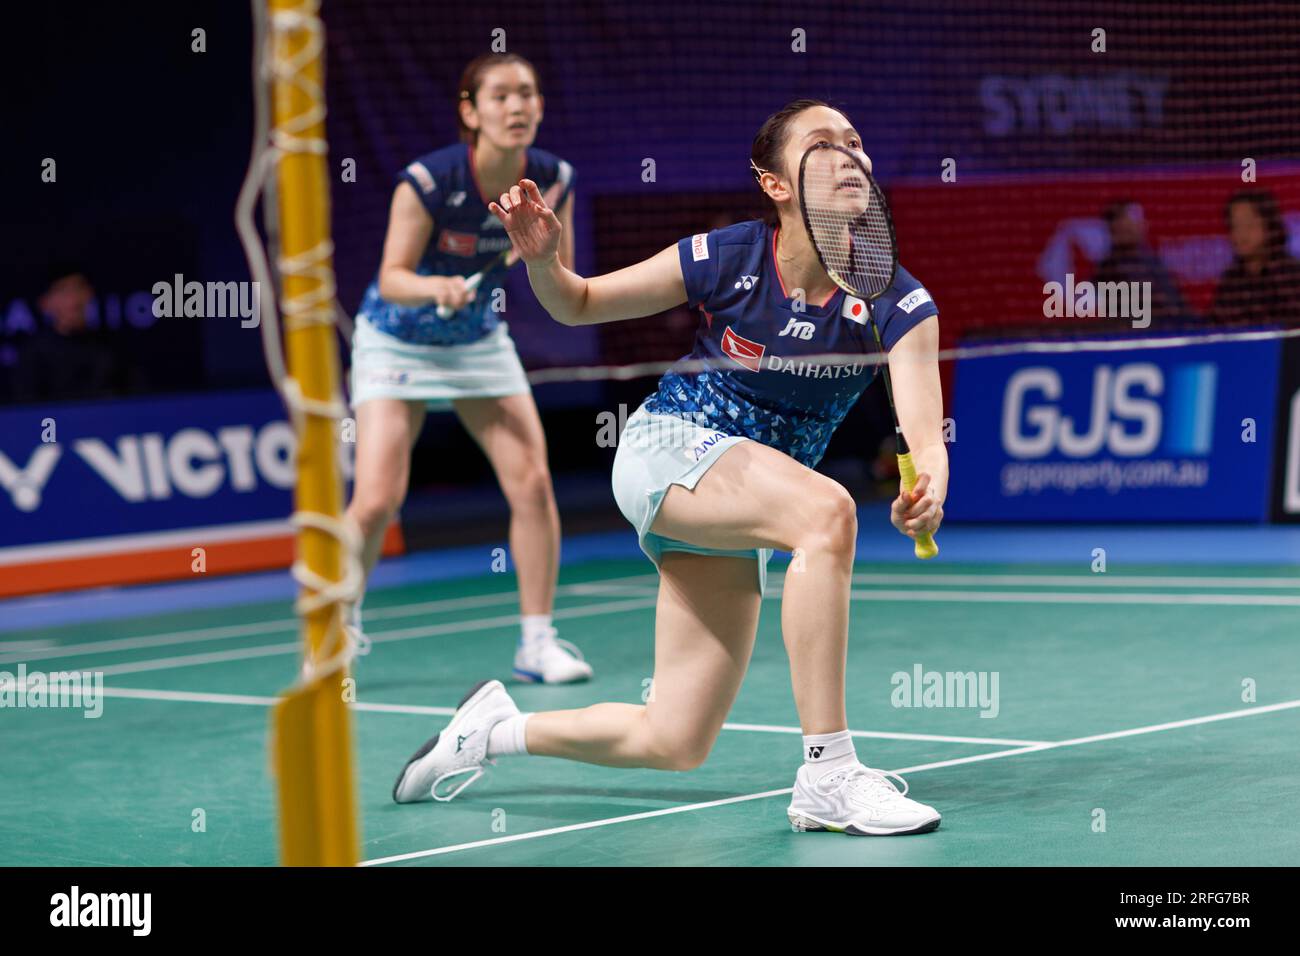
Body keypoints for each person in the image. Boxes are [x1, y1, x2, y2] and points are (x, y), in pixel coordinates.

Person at [393, 100, 947, 836]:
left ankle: (493, 730)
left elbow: (922, 427)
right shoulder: (727, 258)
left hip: (739, 504)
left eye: (855, 142)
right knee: (828, 512)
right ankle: (830, 773)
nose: (848, 156)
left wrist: (927, 484)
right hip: (668, 448)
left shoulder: (897, 299)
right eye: (822, 145)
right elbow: (580, 303)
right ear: (775, 182)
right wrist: (543, 262)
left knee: (675, 739)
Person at [345, 53, 591, 683]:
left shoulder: (552, 176)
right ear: (470, 111)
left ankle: (537, 642)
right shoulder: (428, 181)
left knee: (532, 482)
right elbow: (391, 279)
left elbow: (544, 266)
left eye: (528, 94)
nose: (517, 107)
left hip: (477, 341)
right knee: (376, 500)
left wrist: (537, 260)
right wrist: (437, 289)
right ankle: (337, 625)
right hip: (398, 340)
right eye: (501, 96)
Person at [11, 265, 125, 403]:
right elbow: (26, 413)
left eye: (79, 288)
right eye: (63, 291)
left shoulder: (111, 347)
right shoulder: (32, 355)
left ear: (90, 293)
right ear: (45, 303)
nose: (74, 300)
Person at [1092, 199, 1191, 328]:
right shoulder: (1110, 269)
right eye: (1116, 220)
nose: (1121, 224)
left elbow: (1176, 307)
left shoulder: (1152, 262)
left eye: (1129, 219)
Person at [1207, 189, 1300, 326]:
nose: (1241, 234)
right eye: (1235, 225)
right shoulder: (1231, 281)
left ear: (1269, 225)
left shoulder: (1290, 276)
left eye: (1249, 224)